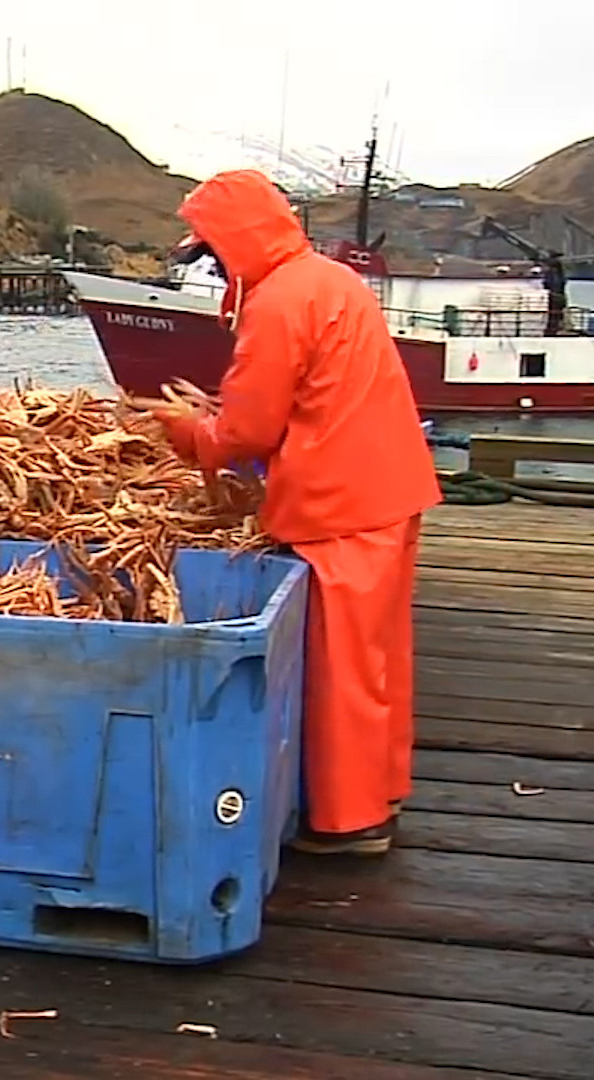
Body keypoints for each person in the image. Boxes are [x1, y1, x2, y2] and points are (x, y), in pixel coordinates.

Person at [148, 170, 442, 857]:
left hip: (339, 505)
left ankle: (350, 823)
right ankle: (381, 791)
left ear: (238, 241)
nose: (215, 266)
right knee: (376, 661)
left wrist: (187, 430)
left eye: (215, 253)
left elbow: (247, 434)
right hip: (388, 490)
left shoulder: (278, 302)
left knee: (340, 670)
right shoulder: (328, 279)